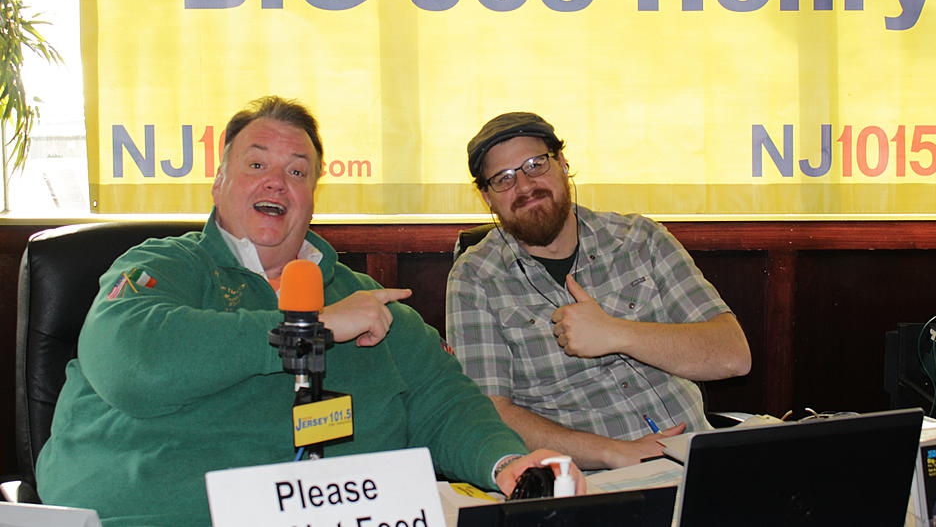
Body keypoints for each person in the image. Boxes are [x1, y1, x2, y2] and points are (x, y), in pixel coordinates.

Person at [35, 97, 583, 526]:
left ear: (314, 195)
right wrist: (308, 329)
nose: (277, 181)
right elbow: (132, 362)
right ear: (218, 182)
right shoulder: (166, 267)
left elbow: (444, 403)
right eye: (255, 164)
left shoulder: (365, 301)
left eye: (298, 172)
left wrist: (507, 464)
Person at [446, 112, 752, 470]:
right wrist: (610, 451)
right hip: (585, 477)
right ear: (487, 197)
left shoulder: (641, 239)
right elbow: (490, 412)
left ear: (562, 162)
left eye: (535, 164)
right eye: (503, 178)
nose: (525, 186)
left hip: (693, 457)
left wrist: (616, 333)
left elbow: (733, 356)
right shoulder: (475, 278)